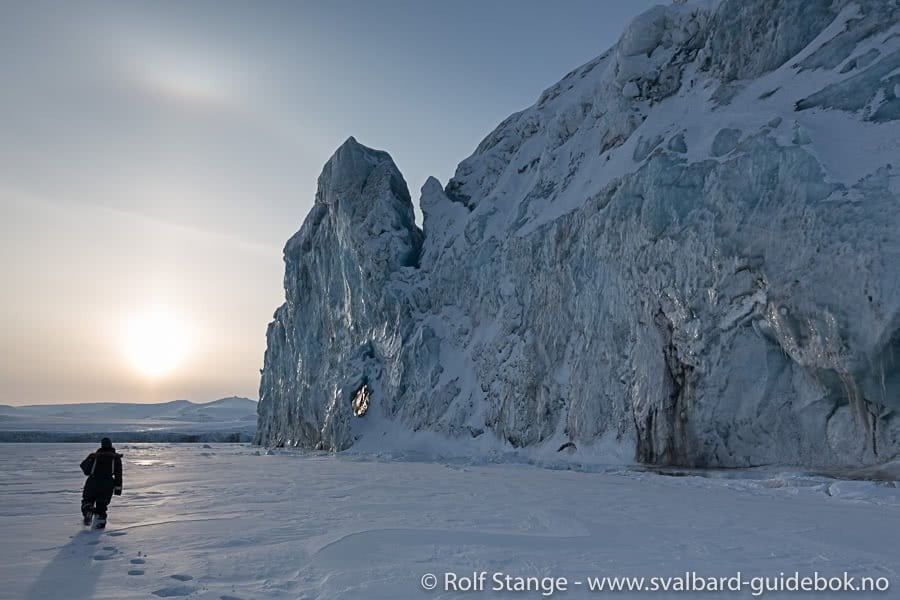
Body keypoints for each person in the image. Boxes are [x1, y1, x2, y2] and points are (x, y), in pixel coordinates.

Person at [80, 437, 123, 528]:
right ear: (111, 445)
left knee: (87, 500)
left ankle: (88, 510)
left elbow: (85, 470)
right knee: (102, 505)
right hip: (107, 484)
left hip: (92, 482)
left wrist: (89, 458)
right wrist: (118, 488)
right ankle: (100, 523)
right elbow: (118, 475)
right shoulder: (115, 458)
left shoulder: (94, 456)